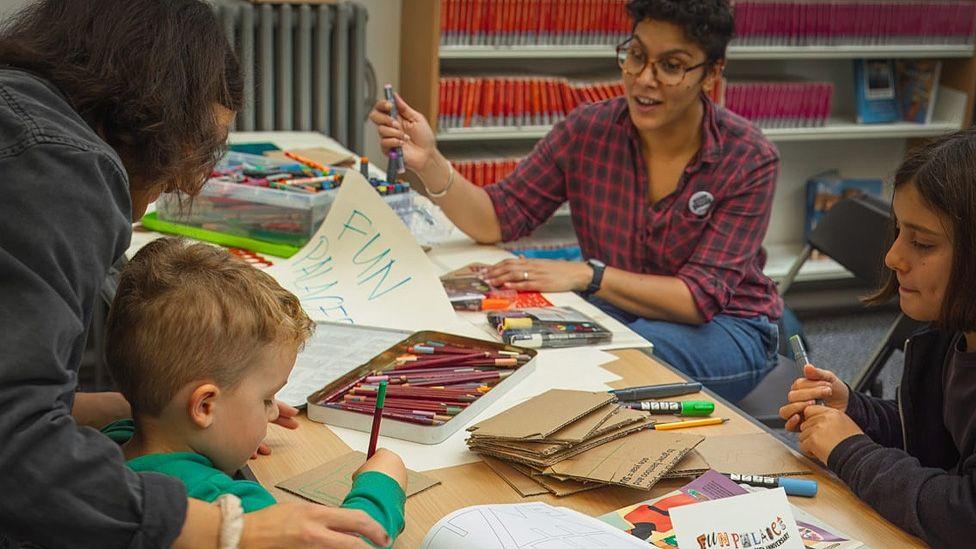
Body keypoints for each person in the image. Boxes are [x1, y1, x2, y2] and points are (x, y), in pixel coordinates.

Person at [0, 0, 393, 546]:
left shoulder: (18, 114)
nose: (189, 182)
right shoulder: (55, 167)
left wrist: (149, 405)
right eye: (199, 143)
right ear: (148, 107)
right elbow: (15, 449)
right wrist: (236, 530)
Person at [370, 0, 782, 401]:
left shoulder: (748, 157)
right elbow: (498, 218)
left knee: (599, 364)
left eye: (671, 66)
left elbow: (697, 298)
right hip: (620, 307)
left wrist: (589, 275)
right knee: (502, 333)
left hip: (727, 326)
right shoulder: (589, 130)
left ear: (711, 74)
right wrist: (429, 162)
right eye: (636, 56)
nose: (643, 78)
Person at [102, 238, 406, 544]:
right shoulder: (227, 507)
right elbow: (352, 542)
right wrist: (381, 487)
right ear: (205, 407)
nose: (274, 411)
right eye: (266, 399)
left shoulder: (105, 447)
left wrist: (229, 429)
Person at [779, 129, 976, 548]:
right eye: (899, 231)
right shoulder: (949, 335)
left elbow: (965, 515)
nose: (892, 257)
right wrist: (854, 409)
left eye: (921, 242)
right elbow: (927, 436)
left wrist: (849, 449)